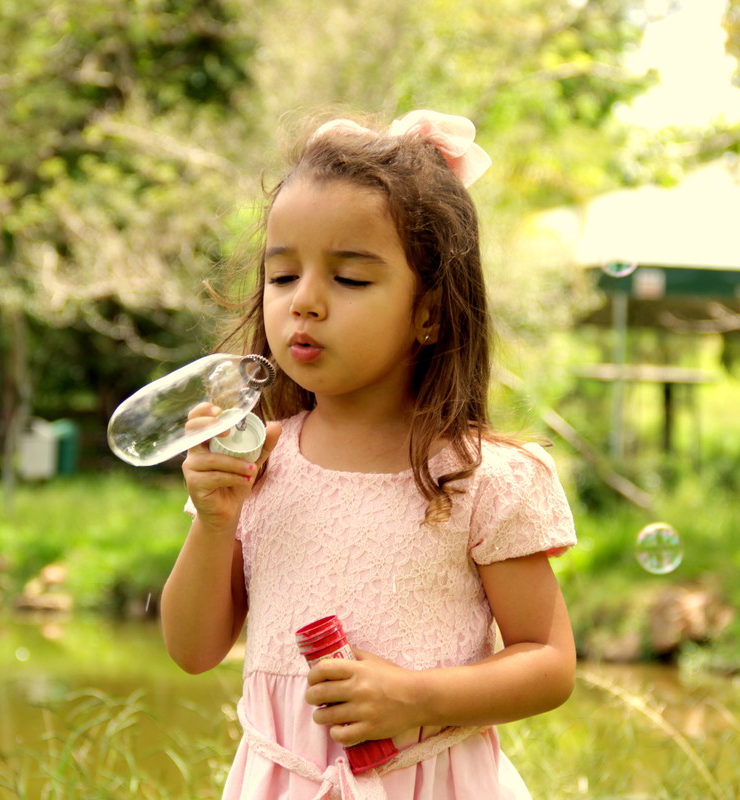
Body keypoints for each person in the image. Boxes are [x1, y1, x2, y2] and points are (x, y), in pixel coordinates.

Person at [161, 109, 578, 800]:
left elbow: (549, 662)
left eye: (350, 280)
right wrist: (212, 521)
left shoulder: (482, 478)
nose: (306, 304)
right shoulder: (256, 461)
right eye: (283, 276)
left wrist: (418, 698)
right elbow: (192, 649)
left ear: (430, 312)